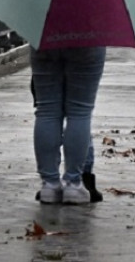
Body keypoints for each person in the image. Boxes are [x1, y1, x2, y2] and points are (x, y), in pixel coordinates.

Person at [30, 45, 106, 204]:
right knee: (80, 112)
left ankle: (50, 185)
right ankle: (73, 183)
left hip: (45, 39)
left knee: (47, 110)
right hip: (87, 39)